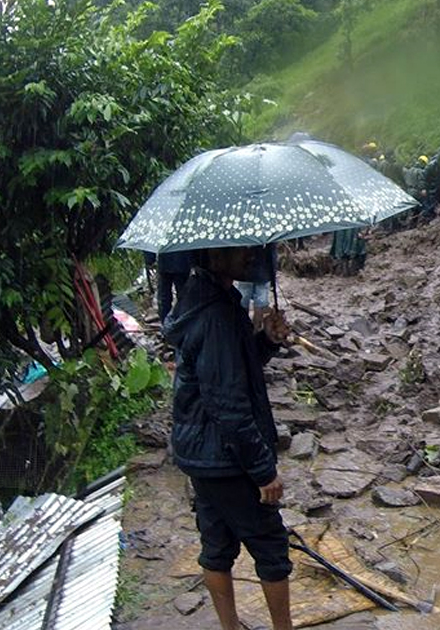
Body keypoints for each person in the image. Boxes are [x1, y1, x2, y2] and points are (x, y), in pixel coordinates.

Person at [163, 247, 293, 630]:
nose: (250, 254)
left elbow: (232, 366)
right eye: (237, 249)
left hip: (201, 450)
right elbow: (229, 403)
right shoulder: (217, 312)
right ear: (209, 254)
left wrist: (266, 341)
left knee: (216, 545)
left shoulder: (205, 297)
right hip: (223, 455)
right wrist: (263, 471)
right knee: (270, 547)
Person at [235, 245, 277, 330]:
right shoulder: (268, 236)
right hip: (263, 273)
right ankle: (255, 329)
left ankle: (243, 328)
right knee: (260, 303)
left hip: (245, 272)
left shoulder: (245, 236)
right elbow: (272, 257)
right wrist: (273, 275)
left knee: (243, 300)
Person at [156, 250, 194, 324]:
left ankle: (164, 322)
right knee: (183, 295)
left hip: (165, 261)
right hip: (182, 261)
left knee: (164, 296)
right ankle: (183, 322)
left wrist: (150, 259)